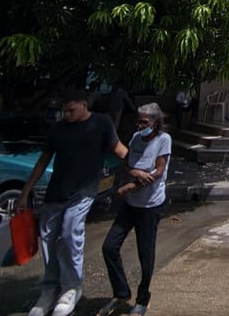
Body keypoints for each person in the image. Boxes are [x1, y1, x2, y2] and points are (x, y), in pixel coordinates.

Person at [17, 91, 129, 316]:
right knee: (49, 239)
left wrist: (143, 168)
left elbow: (119, 149)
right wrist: (25, 192)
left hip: (83, 192)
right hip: (56, 192)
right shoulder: (58, 129)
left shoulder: (101, 123)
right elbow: (43, 161)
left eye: (71, 110)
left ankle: (71, 288)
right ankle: (50, 289)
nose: (67, 115)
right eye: (64, 111)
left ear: (83, 105)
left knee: (70, 235)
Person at [98, 103, 172, 316]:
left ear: (155, 122)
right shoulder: (136, 138)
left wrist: (129, 186)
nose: (140, 126)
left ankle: (142, 298)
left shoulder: (163, 140)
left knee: (145, 254)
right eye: (138, 121)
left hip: (150, 206)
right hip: (131, 204)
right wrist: (136, 173)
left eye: (144, 122)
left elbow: (157, 172)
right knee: (109, 246)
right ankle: (121, 292)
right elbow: (127, 163)